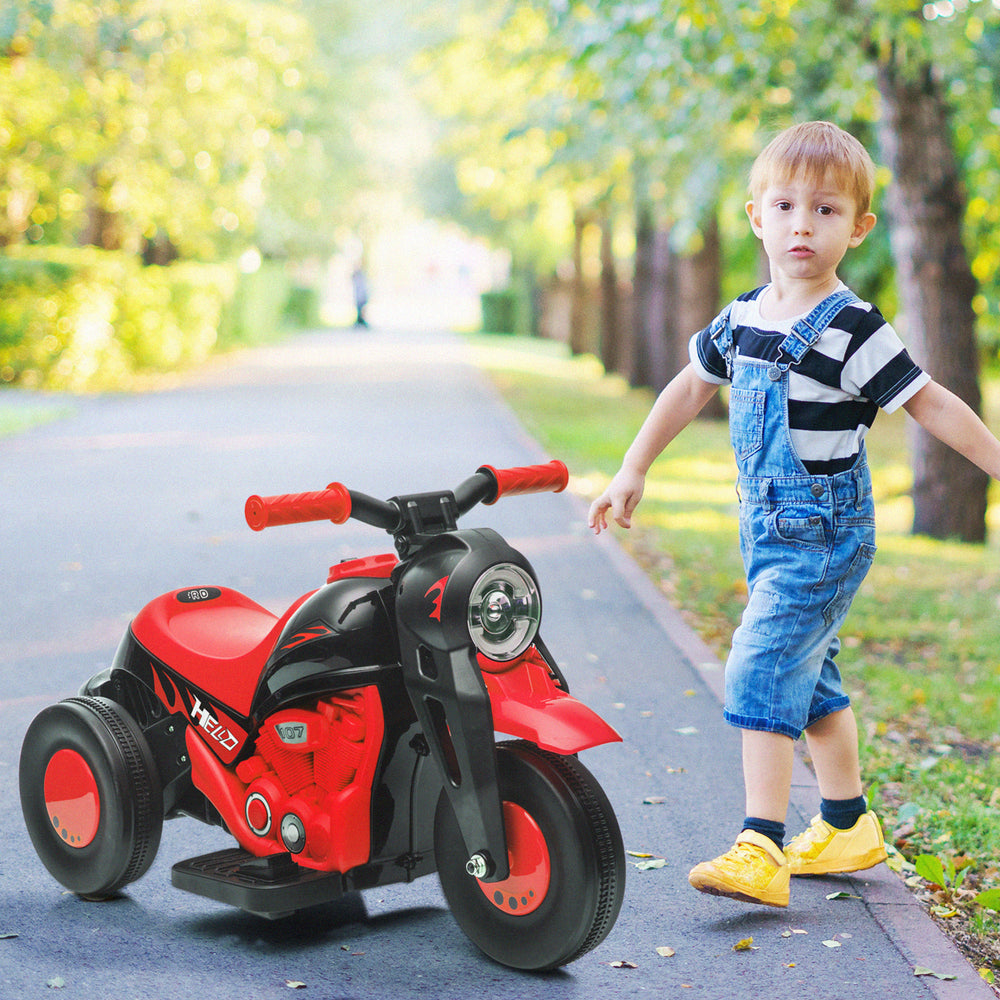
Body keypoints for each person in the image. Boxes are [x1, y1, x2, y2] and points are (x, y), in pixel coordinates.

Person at [588, 121, 1000, 908]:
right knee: (809, 680)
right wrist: (633, 467)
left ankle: (761, 845)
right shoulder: (742, 317)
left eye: (826, 210)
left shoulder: (854, 327)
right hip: (767, 534)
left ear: (860, 228)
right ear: (756, 218)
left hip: (825, 534)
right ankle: (846, 824)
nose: (803, 224)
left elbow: (931, 403)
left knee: (763, 663)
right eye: (785, 206)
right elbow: (687, 387)